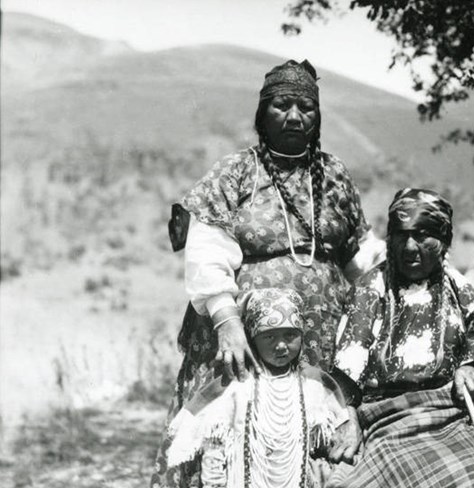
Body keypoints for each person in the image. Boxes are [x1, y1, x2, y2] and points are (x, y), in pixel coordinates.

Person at [151, 59, 383, 488]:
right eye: (281, 105)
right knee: (231, 444)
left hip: (317, 339)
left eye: (305, 108)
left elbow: (358, 255)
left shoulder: (333, 176)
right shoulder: (236, 171)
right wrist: (227, 321)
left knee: (310, 445)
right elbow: (206, 249)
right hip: (242, 336)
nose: (294, 117)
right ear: (262, 114)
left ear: (317, 117)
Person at [330, 188, 474, 488]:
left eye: (423, 235)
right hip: (385, 423)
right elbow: (345, 375)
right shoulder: (369, 289)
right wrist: (348, 421)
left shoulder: (460, 290)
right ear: (390, 239)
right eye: (402, 235)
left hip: (450, 418)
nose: (410, 247)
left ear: (443, 241)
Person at [165, 288, 350, 488]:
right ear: (252, 338)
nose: (281, 345)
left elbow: (332, 438)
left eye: (290, 335)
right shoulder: (236, 386)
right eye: (269, 337)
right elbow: (215, 444)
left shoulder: (313, 384)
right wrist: (213, 483)